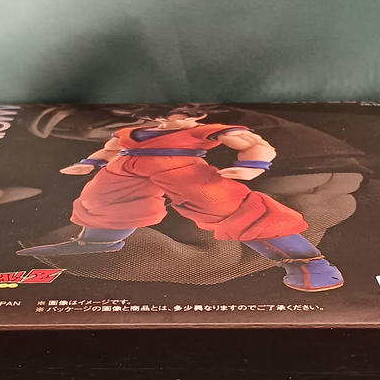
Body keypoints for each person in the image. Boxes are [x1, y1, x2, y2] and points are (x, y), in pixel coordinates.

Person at [17, 109, 343, 292]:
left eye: (181, 115)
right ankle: (97, 242)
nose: (170, 120)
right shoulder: (132, 132)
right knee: (103, 199)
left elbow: (254, 143)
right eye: (164, 116)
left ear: (194, 115)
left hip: (181, 166)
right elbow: (111, 148)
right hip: (128, 166)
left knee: (228, 207)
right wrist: (89, 164)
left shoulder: (204, 130)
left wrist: (252, 165)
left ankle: (308, 262)